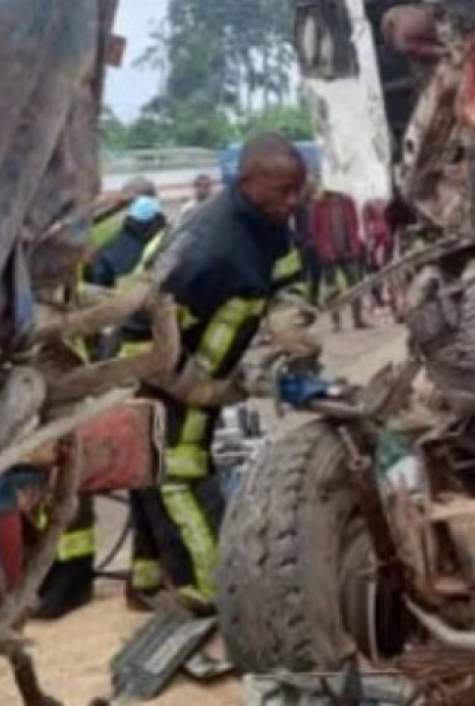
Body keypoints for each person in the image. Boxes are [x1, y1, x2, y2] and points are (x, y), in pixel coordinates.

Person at [119, 133, 317, 612]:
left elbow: (288, 273)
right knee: (177, 475)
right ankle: (212, 590)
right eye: (282, 191)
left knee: (150, 469)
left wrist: (289, 317)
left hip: (210, 378)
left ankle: (147, 582)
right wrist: (196, 387)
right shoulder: (205, 247)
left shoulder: (270, 224)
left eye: (299, 190)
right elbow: (137, 330)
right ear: (246, 182)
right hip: (161, 378)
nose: (292, 202)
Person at [307, 185, 368, 330]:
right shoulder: (319, 205)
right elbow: (315, 230)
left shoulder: (348, 202)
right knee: (332, 289)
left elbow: (355, 224)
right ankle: (336, 321)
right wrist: (323, 248)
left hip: (349, 250)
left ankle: (358, 318)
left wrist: (354, 245)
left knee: (356, 285)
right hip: (329, 253)